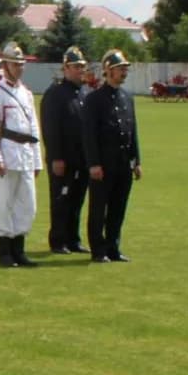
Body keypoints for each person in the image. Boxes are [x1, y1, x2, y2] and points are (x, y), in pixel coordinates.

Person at [82, 49, 143, 263]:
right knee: (99, 209)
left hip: (123, 163)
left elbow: (132, 130)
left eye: (125, 68)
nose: (124, 72)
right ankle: (98, 249)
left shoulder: (127, 97)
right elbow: (89, 135)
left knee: (118, 208)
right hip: (103, 164)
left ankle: (113, 248)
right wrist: (94, 164)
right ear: (108, 71)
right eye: (120, 69)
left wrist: (137, 161)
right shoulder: (94, 99)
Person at [0, 42, 43, 268]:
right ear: (5, 65)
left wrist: (37, 159)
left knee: (27, 204)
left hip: (26, 154)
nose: (19, 68)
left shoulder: (26, 93)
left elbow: (34, 128)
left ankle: (19, 249)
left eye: (22, 64)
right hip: (7, 154)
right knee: (3, 204)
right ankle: (5, 251)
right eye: (15, 64)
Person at [41, 47, 90, 254]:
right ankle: (58, 240)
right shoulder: (56, 93)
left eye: (81, 66)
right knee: (61, 199)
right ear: (65, 68)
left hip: (81, 158)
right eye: (75, 66)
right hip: (63, 159)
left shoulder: (84, 93)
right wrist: (56, 157)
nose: (80, 70)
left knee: (77, 200)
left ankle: (73, 239)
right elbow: (51, 128)